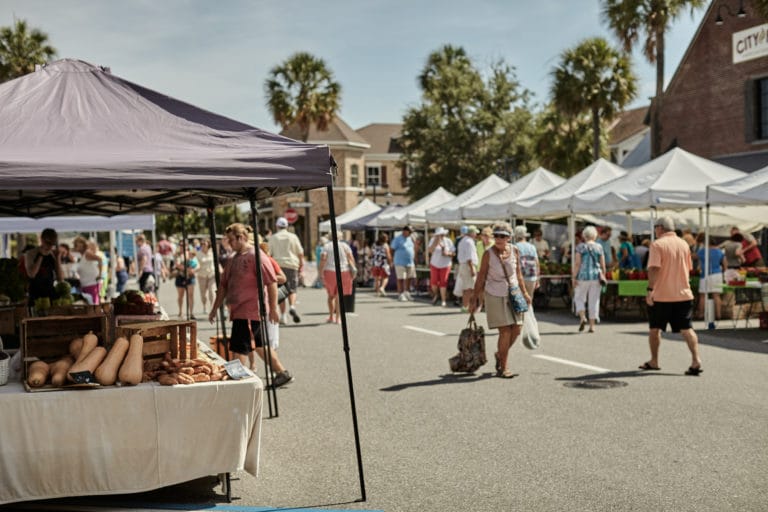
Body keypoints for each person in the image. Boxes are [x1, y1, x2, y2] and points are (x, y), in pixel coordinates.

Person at [208, 223, 293, 388]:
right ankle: (282, 373)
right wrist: (214, 308)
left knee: (238, 349)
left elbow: (272, 282)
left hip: (249, 311)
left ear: (241, 238)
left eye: (232, 240)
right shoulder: (233, 259)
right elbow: (223, 286)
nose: (230, 244)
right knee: (261, 346)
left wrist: (273, 309)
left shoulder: (257, 256)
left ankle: (238, 383)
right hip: (239, 310)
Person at [641, 216, 703, 376]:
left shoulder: (657, 244)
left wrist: (650, 289)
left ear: (660, 228)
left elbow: (654, 269)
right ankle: (696, 360)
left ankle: (654, 361)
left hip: (662, 295)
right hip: (683, 294)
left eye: (655, 227)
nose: (655, 230)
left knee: (655, 329)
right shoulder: (684, 244)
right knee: (687, 328)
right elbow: (688, 268)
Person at [469, 221, 530, 379]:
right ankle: (504, 367)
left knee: (517, 329)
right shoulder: (488, 254)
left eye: (502, 236)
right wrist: (474, 298)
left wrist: (525, 292)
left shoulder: (515, 250)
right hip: (494, 294)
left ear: (509, 238)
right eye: (496, 236)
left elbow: (518, 274)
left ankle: (500, 354)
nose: (498, 239)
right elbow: (481, 277)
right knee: (505, 331)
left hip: (513, 293)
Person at [268, 216, 304, 324]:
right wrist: (301, 266)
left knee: (281, 290)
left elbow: (269, 254)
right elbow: (300, 253)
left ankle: (283, 316)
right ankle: (292, 306)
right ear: (287, 226)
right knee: (292, 289)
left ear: (277, 226)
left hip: (278, 266)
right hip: (292, 265)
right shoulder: (293, 237)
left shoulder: (273, 238)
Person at [572, 226, 606, 333]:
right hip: (596, 276)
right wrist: (603, 274)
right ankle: (592, 326)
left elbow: (577, 264)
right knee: (594, 300)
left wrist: (574, 277)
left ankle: (582, 317)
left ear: (584, 236)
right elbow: (603, 264)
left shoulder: (580, 247)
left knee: (579, 297)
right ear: (594, 235)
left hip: (582, 276)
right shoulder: (599, 247)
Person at [318, 231, 357, 324]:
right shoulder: (345, 246)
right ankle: (338, 318)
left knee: (331, 296)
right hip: (344, 271)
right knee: (339, 296)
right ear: (340, 237)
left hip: (330, 271)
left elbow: (323, 259)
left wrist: (320, 272)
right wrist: (353, 271)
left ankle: (331, 316)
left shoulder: (326, 246)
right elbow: (351, 258)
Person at [24, 228, 63, 307]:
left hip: (49, 292)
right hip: (35, 293)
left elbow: (60, 278)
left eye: (53, 244)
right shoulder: (31, 253)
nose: (50, 246)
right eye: (48, 242)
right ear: (41, 240)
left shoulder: (53, 254)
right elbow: (31, 274)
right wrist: (41, 255)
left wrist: (58, 258)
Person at [695, 232, 725, 320]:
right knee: (716, 295)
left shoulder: (703, 251)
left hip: (705, 275)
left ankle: (701, 314)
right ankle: (718, 315)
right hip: (717, 274)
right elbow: (725, 264)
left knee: (703, 295)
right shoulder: (719, 251)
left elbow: (693, 257)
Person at [428, 227, 455, 307]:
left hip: (445, 264)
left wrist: (448, 253)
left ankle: (443, 300)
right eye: (439, 235)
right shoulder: (432, 240)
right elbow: (430, 251)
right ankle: (436, 294)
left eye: (442, 235)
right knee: (434, 282)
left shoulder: (448, 241)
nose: (441, 236)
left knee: (443, 282)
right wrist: (435, 243)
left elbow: (453, 253)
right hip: (434, 264)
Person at [72, 237, 103, 305]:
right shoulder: (81, 255)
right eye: (76, 245)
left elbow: (100, 259)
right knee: (89, 304)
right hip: (86, 284)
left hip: (92, 283)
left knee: (93, 305)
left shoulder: (87, 253)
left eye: (78, 245)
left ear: (83, 245)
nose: (77, 247)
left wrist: (99, 274)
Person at [456, 225, 479, 312]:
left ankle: (465, 306)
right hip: (468, 265)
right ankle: (467, 306)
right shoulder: (469, 242)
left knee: (466, 287)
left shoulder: (462, 241)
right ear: (472, 233)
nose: (476, 234)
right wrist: (472, 268)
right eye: (475, 233)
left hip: (464, 265)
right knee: (470, 288)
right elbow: (469, 257)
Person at [391, 225, 416, 302]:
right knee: (401, 278)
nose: (410, 233)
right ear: (404, 231)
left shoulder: (410, 238)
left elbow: (412, 248)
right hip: (400, 262)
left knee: (409, 278)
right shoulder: (397, 239)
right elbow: (392, 249)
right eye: (410, 232)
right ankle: (400, 294)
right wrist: (392, 259)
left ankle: (407, 292)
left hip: (410, 262)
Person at [514, 225, 539, 300]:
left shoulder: (515, 246)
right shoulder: (532, 247)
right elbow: (537, 263)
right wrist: (538, 278)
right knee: (529, 300)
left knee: (519, 301)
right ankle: (530, 312)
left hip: (519, 277)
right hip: (532, 277)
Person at [173, 246, 198, 319]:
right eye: (180, 245)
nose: (182, 247)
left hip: (190, 277)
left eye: (184, 246)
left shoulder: (191, 253)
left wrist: (194, 270)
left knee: (191, 295)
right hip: (180, 276)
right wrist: (187, 268)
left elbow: (197, 264)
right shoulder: (177, 255)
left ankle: (191, 313)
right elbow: (177, 265)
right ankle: (181, 311)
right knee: (181, 295)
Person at [196, 239, 217, 314]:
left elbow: (216, 262)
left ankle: (212, 308)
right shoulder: (198, 254)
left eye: (204, 243)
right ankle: (204, 305)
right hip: (202, 275)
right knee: (203, 294)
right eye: (202, 244)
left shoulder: (212, 252)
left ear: (208, 244)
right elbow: (196, 264)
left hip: (211, 274)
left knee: (212, 292)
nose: (203, 245)